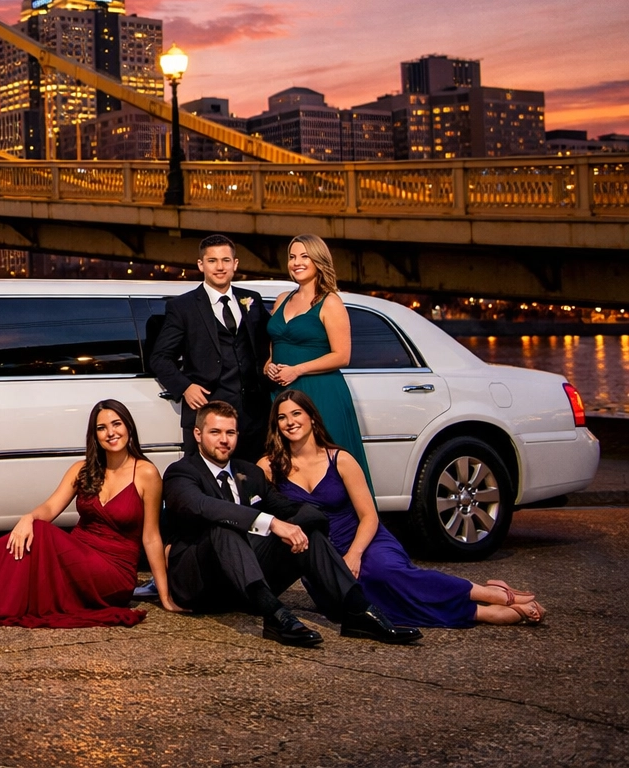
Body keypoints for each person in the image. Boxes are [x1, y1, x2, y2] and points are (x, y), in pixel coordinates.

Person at [261, 389, 545, 627]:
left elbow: (369, 516)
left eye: (296, 413)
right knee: (352, 609)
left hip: (363, 539)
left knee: (388, 575)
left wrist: (355, 555)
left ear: (311, 417)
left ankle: (486, 597)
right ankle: (478, 611)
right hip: (321, 555)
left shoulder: (341, 460)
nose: (290, 422)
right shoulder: (271, 467)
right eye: (282, 417)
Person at [0, 401, 181, 628]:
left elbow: (152, 537)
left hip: (112, 574)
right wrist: (27, 518)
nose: (110, 432)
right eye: (102, 428)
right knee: (25, 538)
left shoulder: (146, 473)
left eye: (116, 424)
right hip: (78, 558)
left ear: (128, 427)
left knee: (40, 533)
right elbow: (50, 508)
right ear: (94, 435)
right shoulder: (81, 470)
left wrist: (164, 595)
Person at [163, 401, 421, 647]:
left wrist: (294, 528)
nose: (224, 440)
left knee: (304, 530)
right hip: (200, 584)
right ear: (198, 434)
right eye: (215, 432)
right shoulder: (181, 472)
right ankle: (277, 616)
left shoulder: (249, 473)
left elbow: (295, 509)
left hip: (245, 583)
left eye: (230, 432)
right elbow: (204, 506)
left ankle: (358, 611)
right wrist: (273, 523)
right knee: (224, 525)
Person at [150, 233, 272, 462]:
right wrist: (185, 387)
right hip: (208, 416)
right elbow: (160, 358)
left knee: (256, 486)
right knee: (209, 486)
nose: (219, 267)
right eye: (212, 260)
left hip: (255, 417)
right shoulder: (182, 307)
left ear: (235, 264)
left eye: (226, 260)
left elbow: (272, 339)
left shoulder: (252, 300)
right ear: (201, 264)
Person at [265, 234, 371, 480]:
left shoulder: (330, 302)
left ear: (318, 261)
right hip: (281, 394)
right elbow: (271, 351)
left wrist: (297, 370)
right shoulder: (282, 300)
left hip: (320, 393)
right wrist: (268, 367)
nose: (296, 262)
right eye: (292, 257)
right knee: (287, 467)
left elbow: (342, 356)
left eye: (304, 256)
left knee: (328, 465)